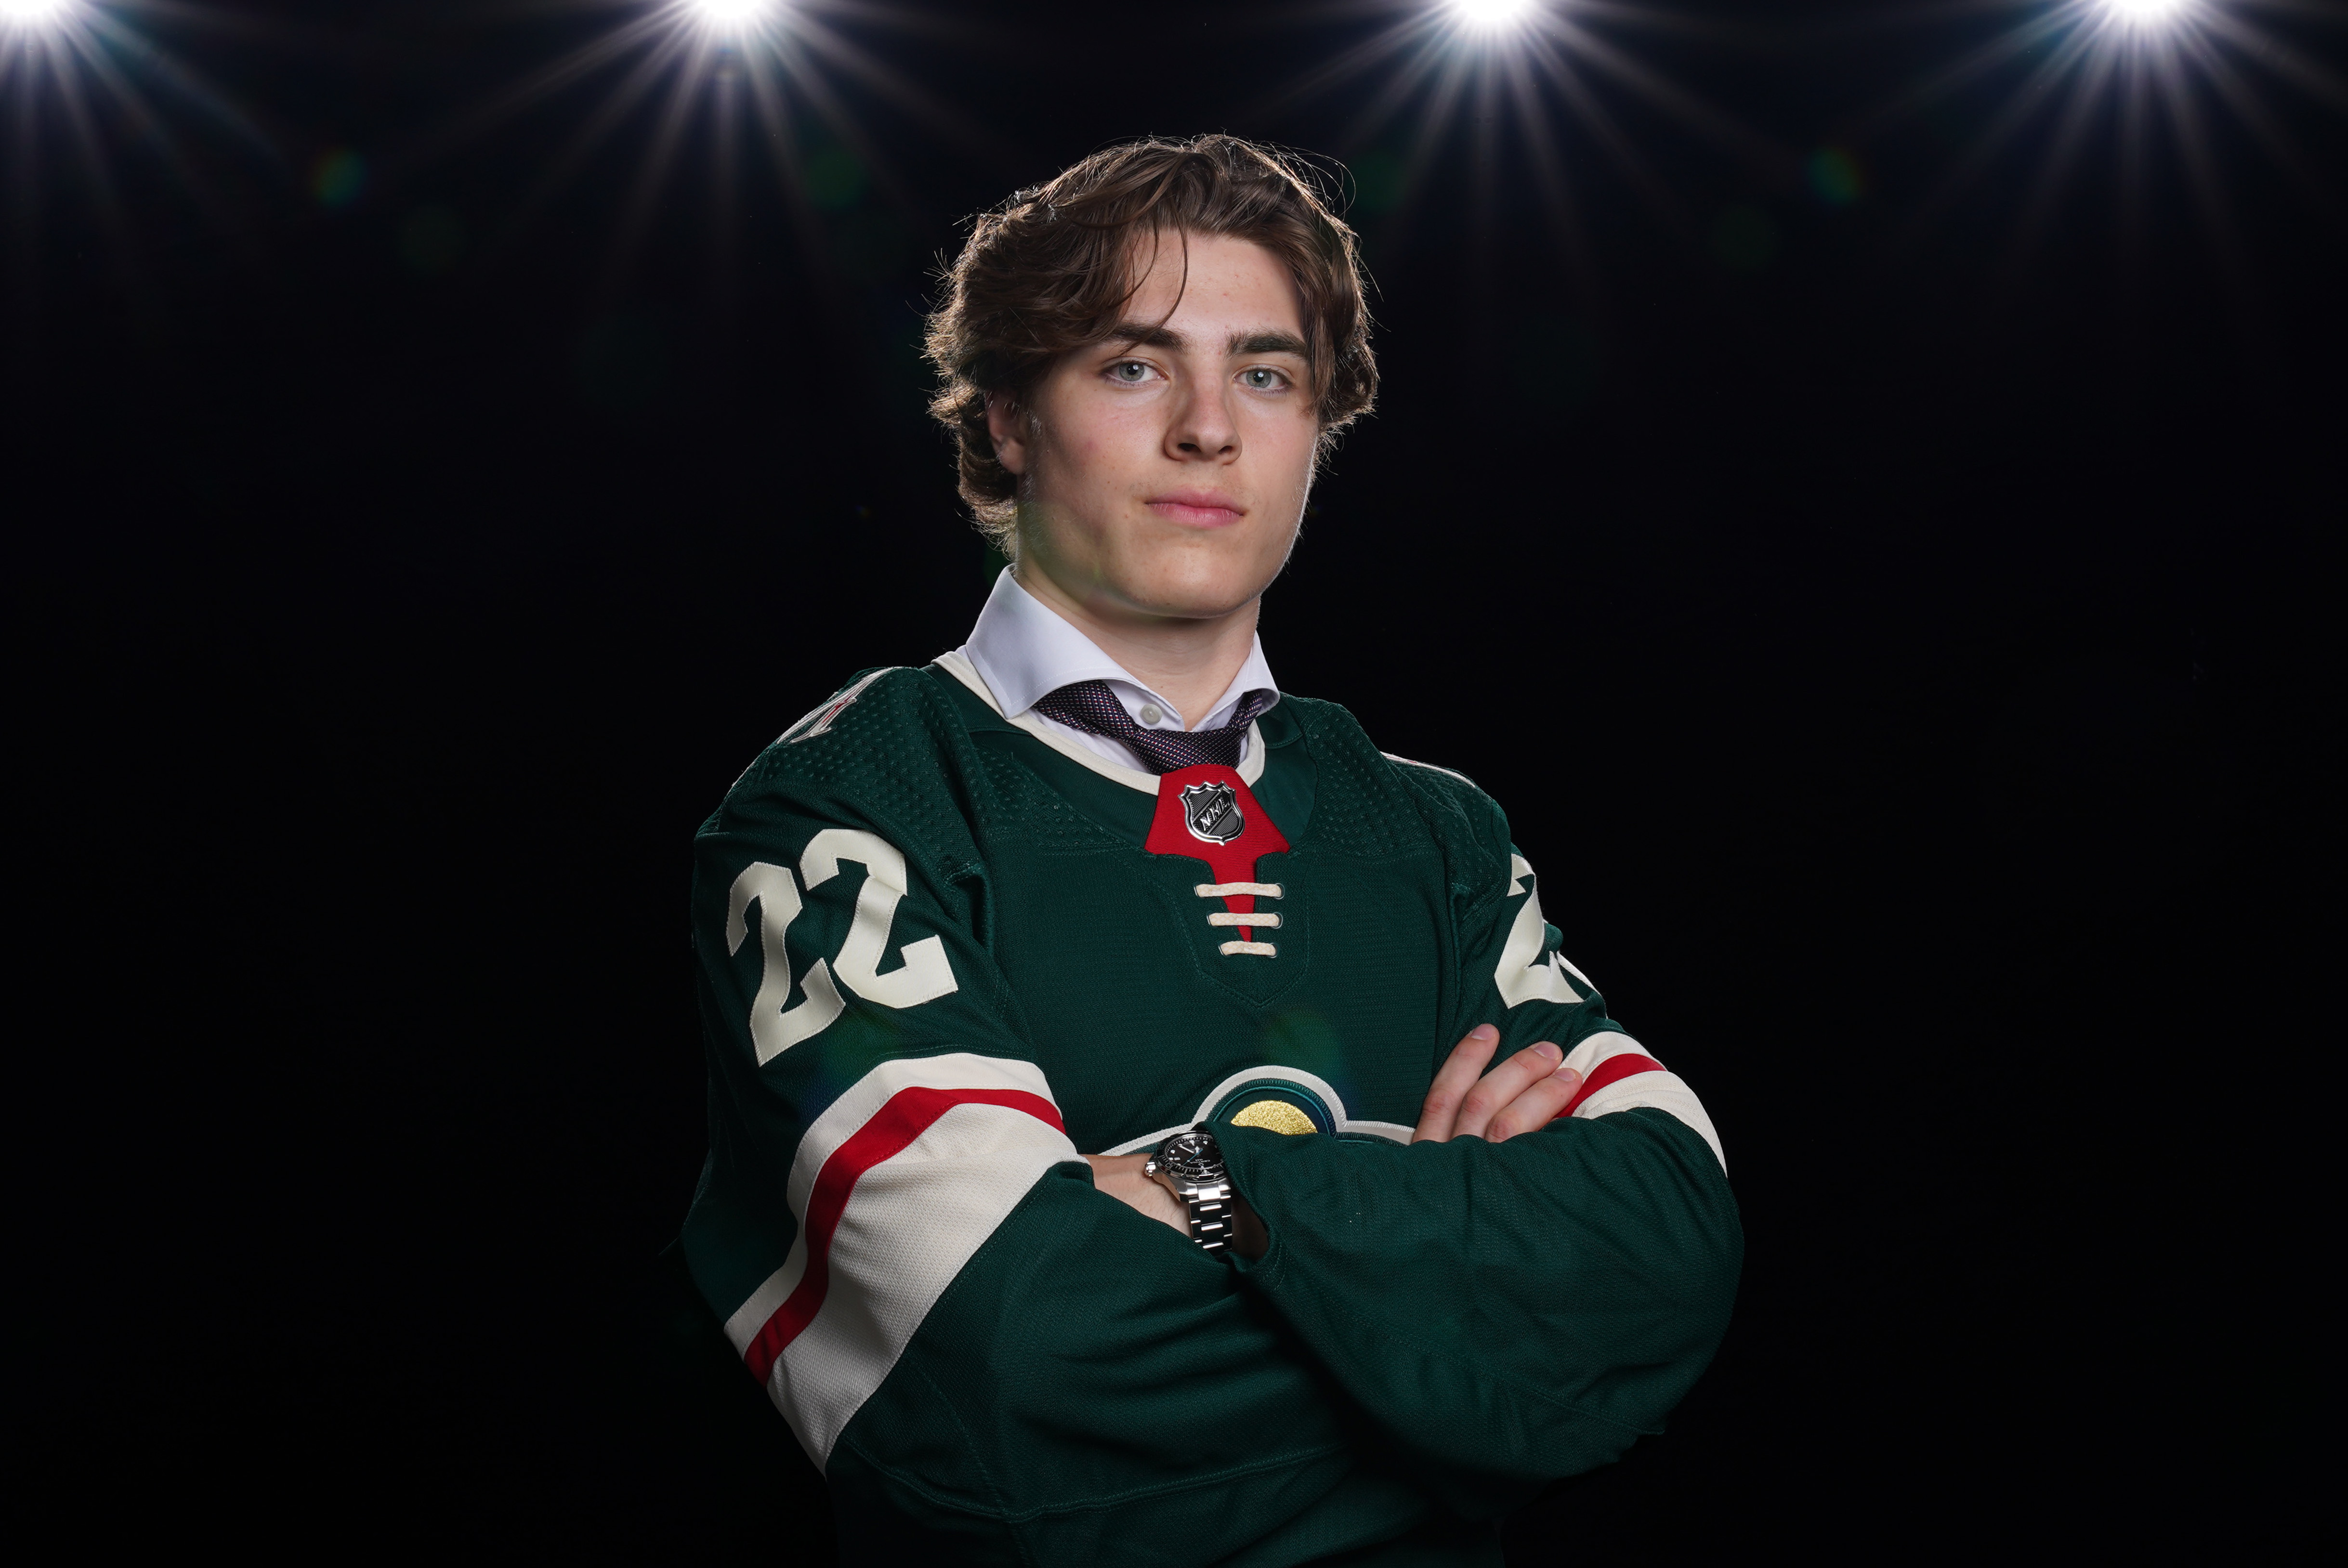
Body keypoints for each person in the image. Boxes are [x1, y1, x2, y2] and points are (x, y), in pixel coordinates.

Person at [680, 134, 1740, 1565]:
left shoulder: (1431, 828)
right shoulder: (852, 806)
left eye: (1265, 372)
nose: (1207, 429)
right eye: (1130, 365)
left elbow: (1666, 1246)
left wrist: (1198, 1185)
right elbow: (1001, 1353)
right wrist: (1433, 1271)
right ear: (1004, 416)